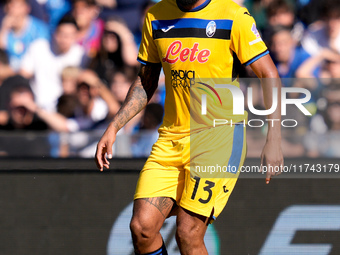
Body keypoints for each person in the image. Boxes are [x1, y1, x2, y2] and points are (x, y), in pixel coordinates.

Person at [95, 0, 283, 254]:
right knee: (142, 228)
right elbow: (146, 79)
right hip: (171, 137)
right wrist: (114, 126)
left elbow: (269, 74)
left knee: (188, 232)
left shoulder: (233, 15)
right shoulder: (156, 16)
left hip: (219, 137)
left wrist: (274, 139)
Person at [20, 15, 85, 112]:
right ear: (55, 33)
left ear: (76, 36)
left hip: (65, 110)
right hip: (36, 108)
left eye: (69, 36)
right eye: (62, 34)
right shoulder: (38, 47)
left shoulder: (81, 55)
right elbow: (23, 75)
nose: (64, 39)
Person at [0, 0, 50, 71]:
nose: (11, 9)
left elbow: (42, 60)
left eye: (15, 5)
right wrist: (4, 29)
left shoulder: (39, 30)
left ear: (26, 8)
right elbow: (2, 52)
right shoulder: (5, 28)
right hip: (9, 74)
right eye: (9, 5)